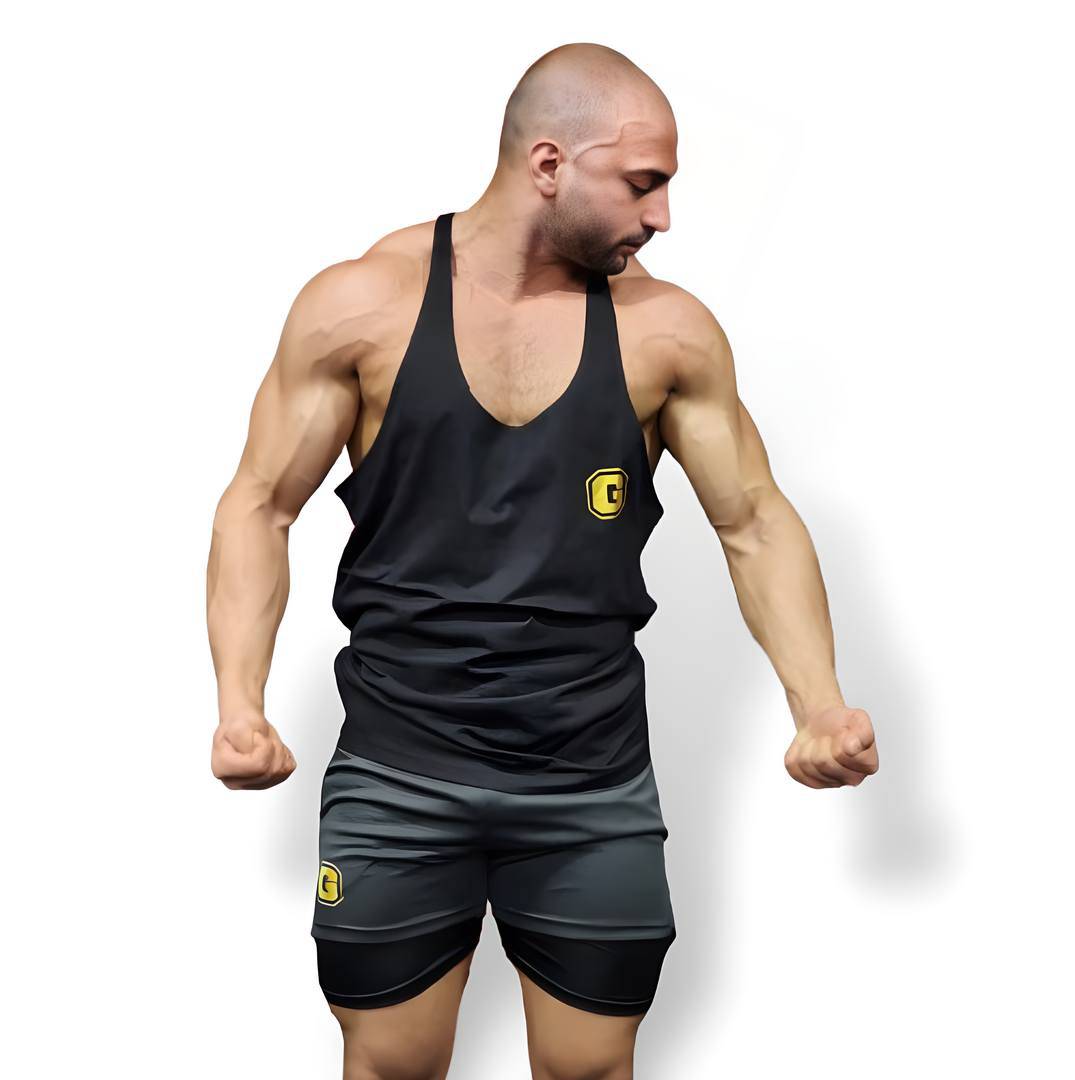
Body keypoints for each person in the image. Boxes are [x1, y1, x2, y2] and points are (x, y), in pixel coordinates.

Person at [206, 41, 879, 1080]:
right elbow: (260, 503)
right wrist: (239, 705)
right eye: (643, 184)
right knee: (390, 1066)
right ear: (551, 164)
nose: (663, 217)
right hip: (399, 768)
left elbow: (753, 518)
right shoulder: (360, 306)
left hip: (590, 779)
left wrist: (819, 705)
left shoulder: (667, 334)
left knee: (589, 1071)